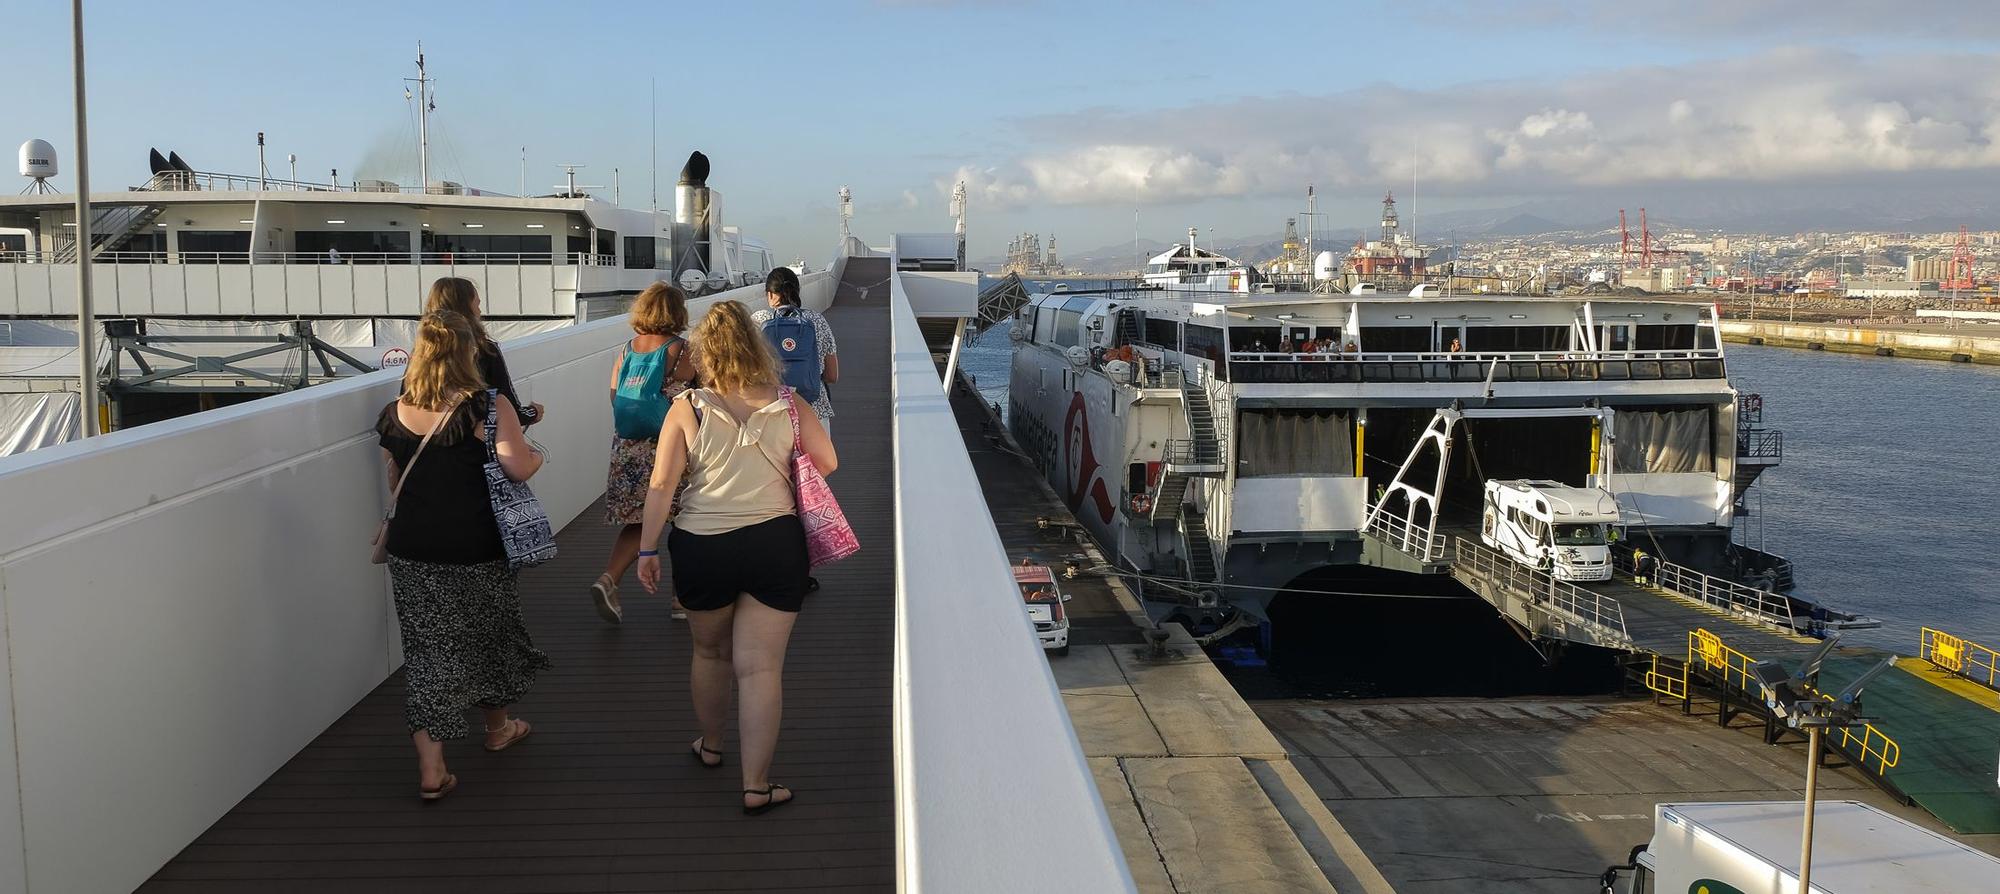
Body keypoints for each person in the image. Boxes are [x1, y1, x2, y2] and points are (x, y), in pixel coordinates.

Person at [636, 300, 837, 816]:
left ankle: (712, 746)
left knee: (709, 654)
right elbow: (828, 462)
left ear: (706, 351)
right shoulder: (791, 404)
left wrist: (647, 548)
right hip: (775, 542)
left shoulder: (689, 407)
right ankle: (756, 784)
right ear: (755, 346)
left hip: (702, 544)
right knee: (761, 668)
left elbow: (662, 484)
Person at [375, 310, 550, 801]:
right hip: (477, 544)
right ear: (469, 351)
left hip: (412, 547)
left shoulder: (396, 410)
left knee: (428, 649)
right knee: (489, 632)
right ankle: (497, 729)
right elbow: (518, 469)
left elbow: (395, 479)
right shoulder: (489, 407)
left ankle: (434, 766)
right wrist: (537, 455)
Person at [591, 282, 698, 625]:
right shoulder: (682, 351)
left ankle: (609, 578)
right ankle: (682, 599)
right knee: (686, 521)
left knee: (640, 520)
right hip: (671, 449)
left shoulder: (628, 349)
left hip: (628, 448)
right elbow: (706, 395)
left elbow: (614, 395)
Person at [425, 276, 546, 428]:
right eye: (477, 305)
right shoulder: (484, 351)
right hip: (472, 446)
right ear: (466, 309)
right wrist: (534, 412)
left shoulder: (421, 354)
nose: (480, 312)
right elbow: (510, 410)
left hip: (428, 445)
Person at [751, 267, 838, 434]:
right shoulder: (816, 320)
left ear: (769, 294)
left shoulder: (758, 321)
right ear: (797, 291)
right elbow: (832, 376)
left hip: (772, 410)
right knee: (819, 460)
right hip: (814, 409)